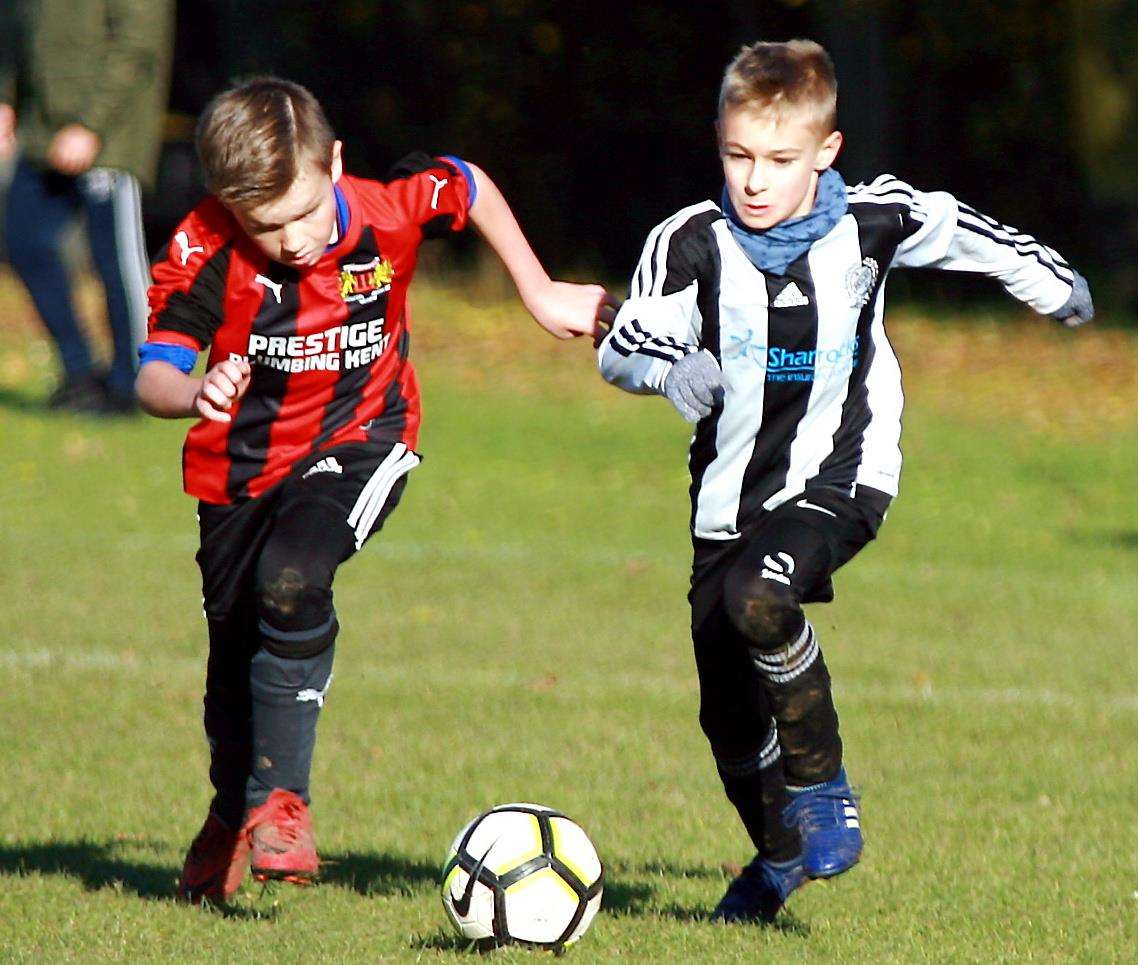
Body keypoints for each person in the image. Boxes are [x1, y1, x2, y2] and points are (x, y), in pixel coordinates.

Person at [597, 39, 1094, 924]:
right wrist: (669, 365)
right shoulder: (689, 243)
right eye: (739, 155)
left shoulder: (873, 221)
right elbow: (624, 338)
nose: (755, 179)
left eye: (780, 160)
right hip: (728, 502)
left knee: (759, 597)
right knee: (726, 720)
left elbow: (968, 230)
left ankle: (824, 785)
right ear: (718, 139)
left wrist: (1051, 283)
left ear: (825, 151)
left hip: (846, 471)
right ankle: (780, 853)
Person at [137, 76, 616, 905]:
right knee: (232, 675)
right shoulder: (205, 245)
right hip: (239, 474)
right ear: (226, 206)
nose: (289, 239)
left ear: (336, 162)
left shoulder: (389, 207)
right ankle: (235, 809)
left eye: (303, 211)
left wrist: (537, 289)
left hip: (365, 436)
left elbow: (464, 184)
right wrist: (197, 391)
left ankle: (285, 804)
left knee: (293, 576)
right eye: (265, 223)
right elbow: (153, 374)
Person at [0, 0, 173, 414]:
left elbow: (137, 47)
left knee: (116, 262)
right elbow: (14, 30)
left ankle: (133, 382)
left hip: (112, 140)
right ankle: (79, 371)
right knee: (24, 242)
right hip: (43, 134)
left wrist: (89, 126)